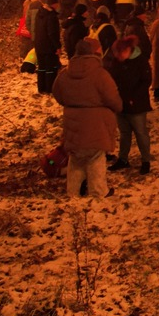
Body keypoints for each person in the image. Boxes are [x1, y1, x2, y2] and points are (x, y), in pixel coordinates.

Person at [52, 38, 122, 198]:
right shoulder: (100, 74)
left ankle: (73, 192)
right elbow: (113, 99)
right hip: (96, 125)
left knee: (76, 159)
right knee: (96, 158)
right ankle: (99, 192)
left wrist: (71, 104)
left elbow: (57, 92)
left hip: (73, 123)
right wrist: (117, 107)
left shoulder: (65, 74)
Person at [104, 36, 153, 174]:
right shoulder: (115, 62)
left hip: (137, 104)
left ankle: (146, 161)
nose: (118, 56)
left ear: (127, 50)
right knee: (124, 132)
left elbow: (146, 81)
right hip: (120, 103)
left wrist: (134, 97)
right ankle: (123, 159)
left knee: (140, 132)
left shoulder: (140, 61)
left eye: (121, 53)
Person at [34, 0, 62, 94]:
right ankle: (51, 88)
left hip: (39, 44)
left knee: (41, 67)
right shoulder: (52, 16)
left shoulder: (39, 13)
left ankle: (42, 88)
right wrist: (57, 46)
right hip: (49, 46)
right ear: (53, 4)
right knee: (51, 68)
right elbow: (52, 33)